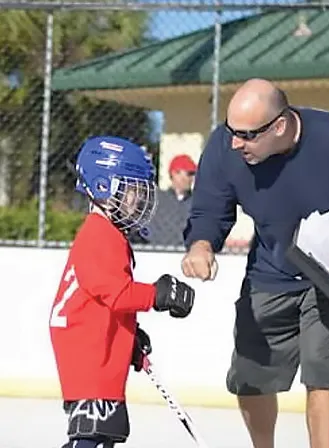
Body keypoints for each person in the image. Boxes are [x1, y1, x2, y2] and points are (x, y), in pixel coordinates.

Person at [180, 78, 329, 448]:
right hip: (269, 269)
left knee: (322, 373)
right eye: (231, 130)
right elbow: (209, 207)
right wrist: (201, 246)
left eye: (248, 135)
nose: (236, 143)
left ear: (280, 126)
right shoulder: (226, 146)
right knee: (249, 376)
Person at [49, 136, 196, 448]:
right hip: (88, 355)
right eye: (131, 190)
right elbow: (115, 293)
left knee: (105, 435)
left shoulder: (109, 234)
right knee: (91, 435)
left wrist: (129, 333)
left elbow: (104, 300)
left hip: (99, 349)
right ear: (103, 186)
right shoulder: (99, 234)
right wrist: (158, 295)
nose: (137, 199)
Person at [141, 154, 197, 247]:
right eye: (189, 173)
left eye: (192, 174)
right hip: (155, 254)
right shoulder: (155, 199)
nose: (190, 178)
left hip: (187, 256)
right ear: (174, 173)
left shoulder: (198, 202)